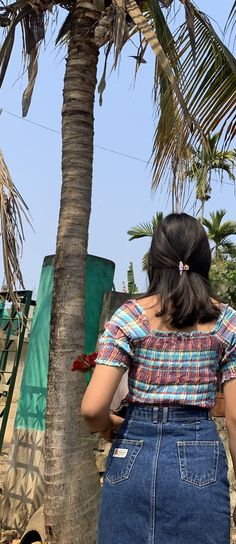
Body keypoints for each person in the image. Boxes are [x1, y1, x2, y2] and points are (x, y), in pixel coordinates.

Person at [81, 213, 236, 544]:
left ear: (155, 260)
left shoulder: (129, 316)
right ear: (204, 259)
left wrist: (117, 424)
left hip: (131, 456)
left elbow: (92, 410)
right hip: (200, 461)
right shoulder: (227, 322)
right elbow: (235, 418)